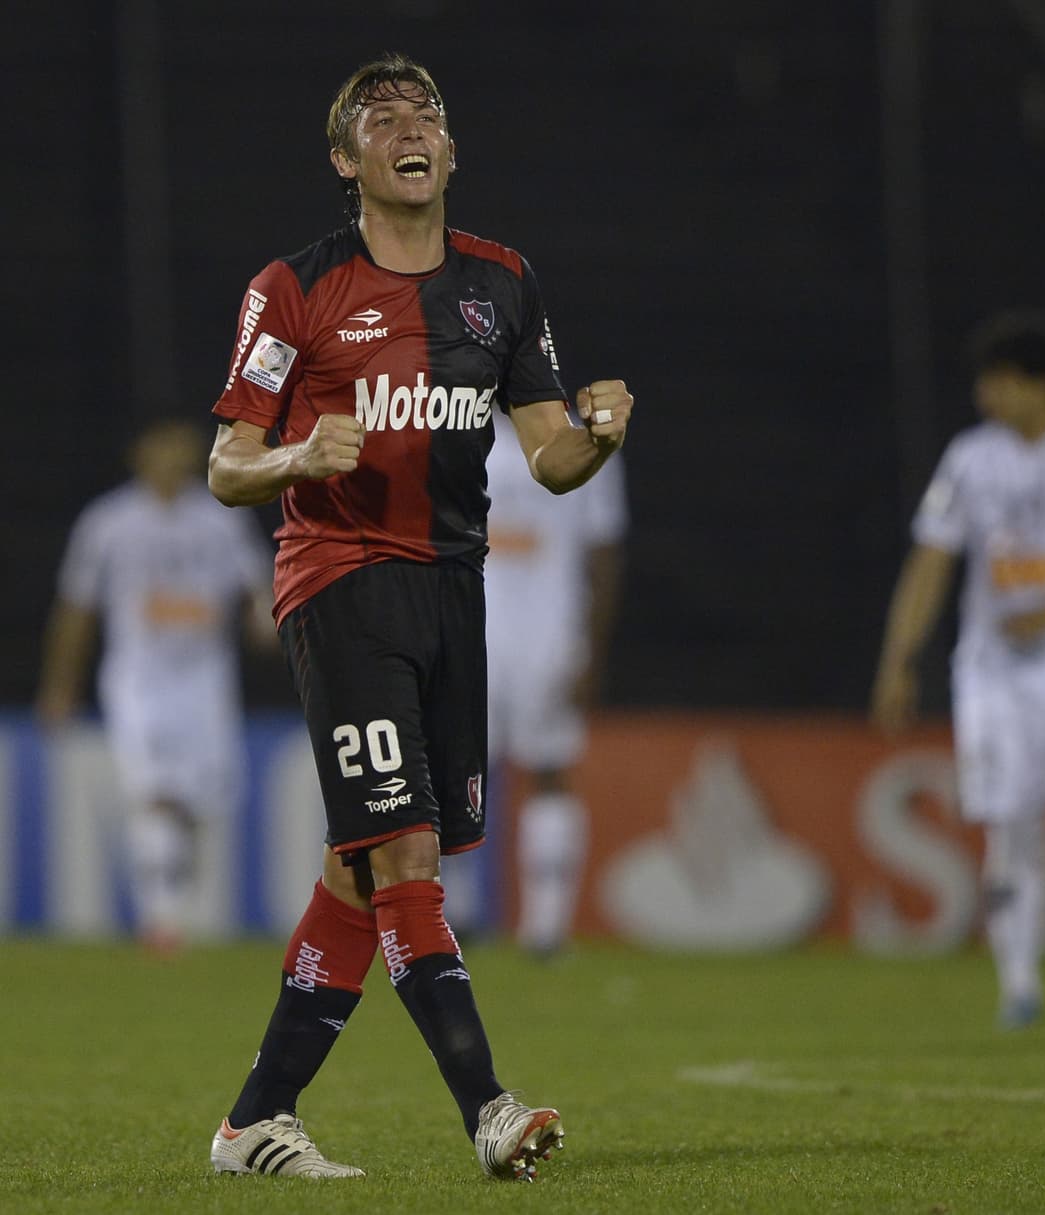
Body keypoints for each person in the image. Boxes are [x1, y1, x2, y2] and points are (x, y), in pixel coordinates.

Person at [204, 53, 632, 1181]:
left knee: (364, 869)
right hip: (341, 582)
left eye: (425, 113)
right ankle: (488, 1108)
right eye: (380, 116)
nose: (408, 126)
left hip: (453, 588)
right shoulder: (292, 289)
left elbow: (550, 458)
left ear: (449, 150)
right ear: (345, 161)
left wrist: (598, 432)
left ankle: (256, 1120)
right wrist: (298, 455)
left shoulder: (503, 282)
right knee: (403, 847)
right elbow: (227, 464)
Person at [871, 312, 1045, 1028]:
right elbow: (930, 562)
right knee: (1009, 823)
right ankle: (1018, 983)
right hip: (994, 668)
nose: (984, 395)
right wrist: (899, 659)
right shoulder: (970, 459)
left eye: (998, 381)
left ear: (1040, 384)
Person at [36, 418, 275, 951]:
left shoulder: (221, 517)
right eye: (161, 443)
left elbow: (257, 588)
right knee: (155, 790)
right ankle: (160, 917)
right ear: (140, 452)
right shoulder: (108, 521)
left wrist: (265, 619)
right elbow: (77, 610)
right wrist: (60, 685)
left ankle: (171, 901)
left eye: (180, 443)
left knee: (196, 801)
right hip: (138, 680)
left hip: (205, 682)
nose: (172, 454)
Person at [446, 407, 627, 954]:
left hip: (550, 638)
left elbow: (604, 553)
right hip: (474, 631)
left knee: (549, 770)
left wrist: (592, 652)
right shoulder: (462, 434)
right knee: (457, 770)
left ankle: (546, 928)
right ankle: (455, 915)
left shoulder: (585, 440)